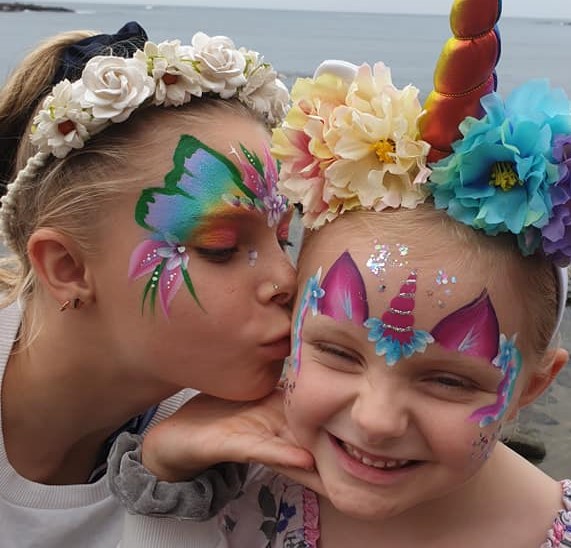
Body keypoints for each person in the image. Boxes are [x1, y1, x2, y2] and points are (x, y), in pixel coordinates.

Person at [111, 1, 571, 546]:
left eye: (450, 380)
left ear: (533, 386)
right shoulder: (230, 495)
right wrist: (165, 474)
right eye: (337, 352)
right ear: (291, 329)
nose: (377, 420)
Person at [0, 20, 316, 548]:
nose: (287, 279)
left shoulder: (252, 452)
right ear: (67, 268)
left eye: (285, 239)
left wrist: (164, 485)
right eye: (220, 248)